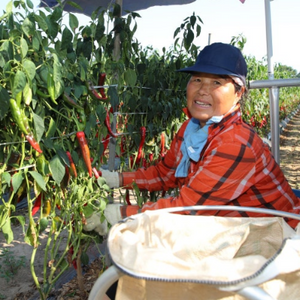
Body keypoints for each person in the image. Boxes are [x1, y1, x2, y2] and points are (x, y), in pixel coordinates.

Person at [87, 42, 300, 300]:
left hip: (271, 239)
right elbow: (165, 173)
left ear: (239, 92)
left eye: (216, 83)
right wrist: (118, 178)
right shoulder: (193, 129)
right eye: (197, 79)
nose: (202, 90)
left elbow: (187, 210)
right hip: (230, 228)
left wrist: (120, 215)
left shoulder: (235, 143)